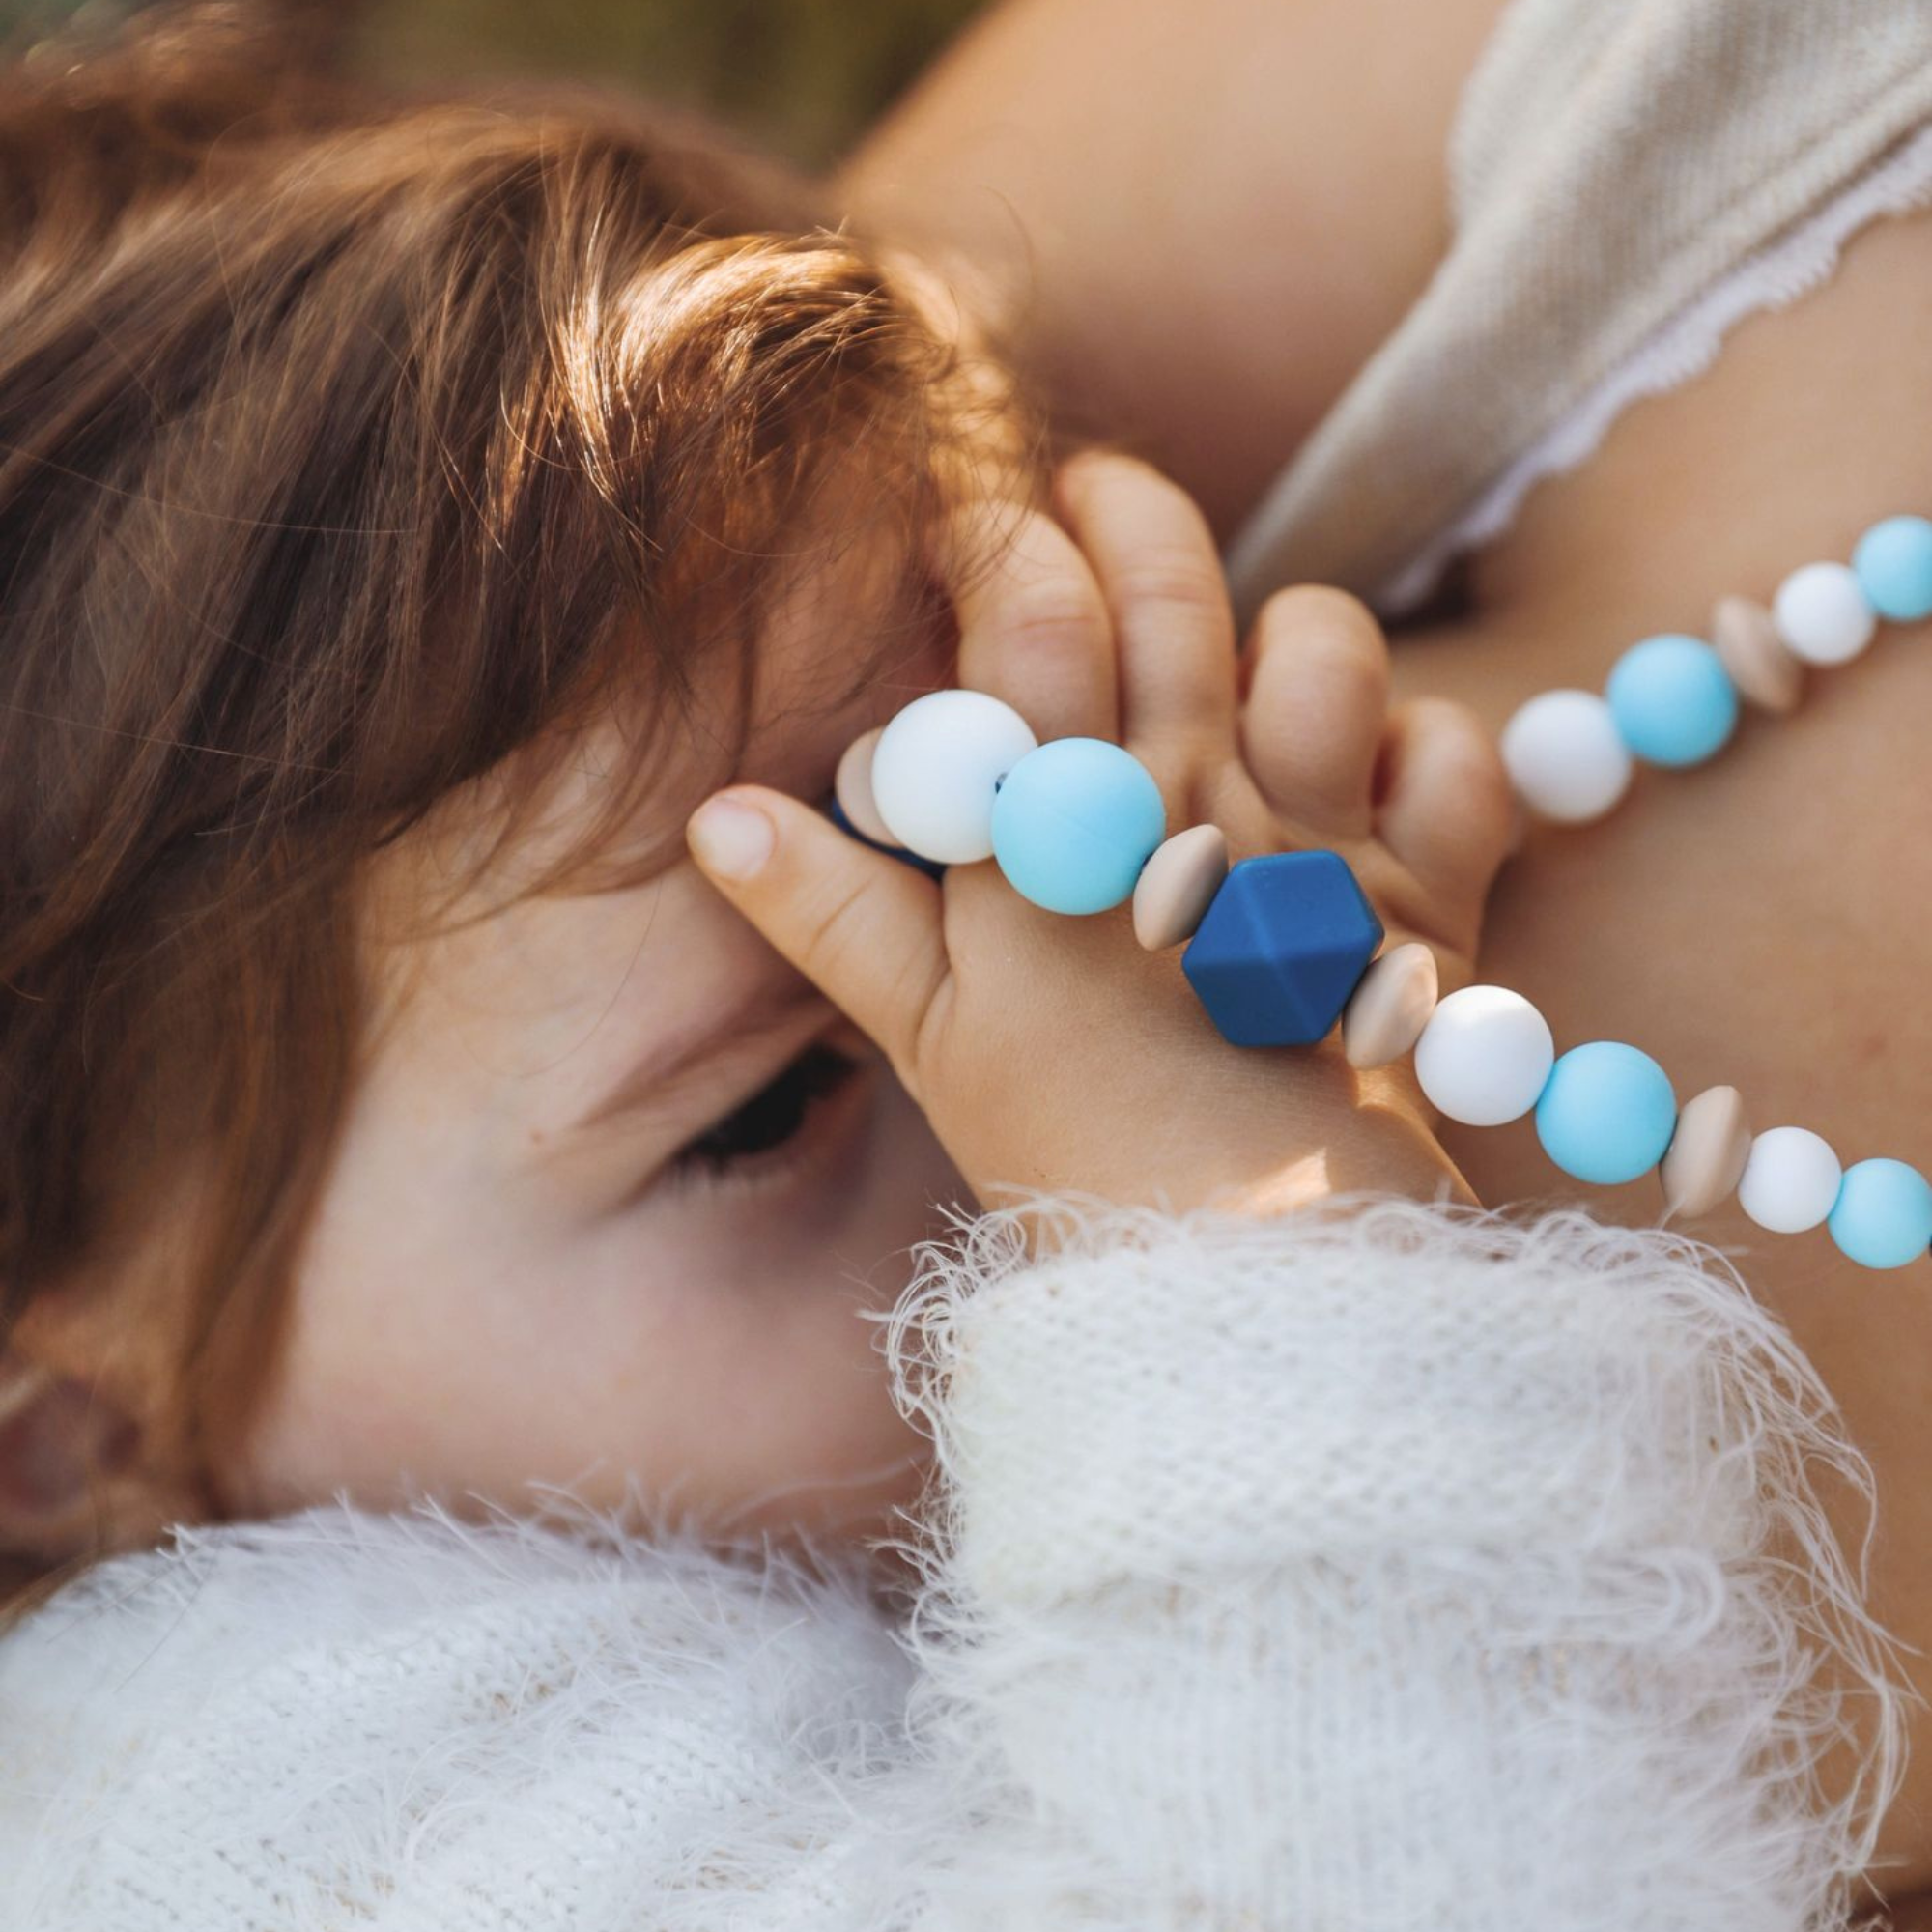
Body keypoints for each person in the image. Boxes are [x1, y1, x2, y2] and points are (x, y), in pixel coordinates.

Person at [0, 5, 1913, 1928]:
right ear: (67, 1436)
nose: (1051, 1012)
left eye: (1032, 743)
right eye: (770, 1096)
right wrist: (1236, 1224)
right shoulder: (227, 1813)